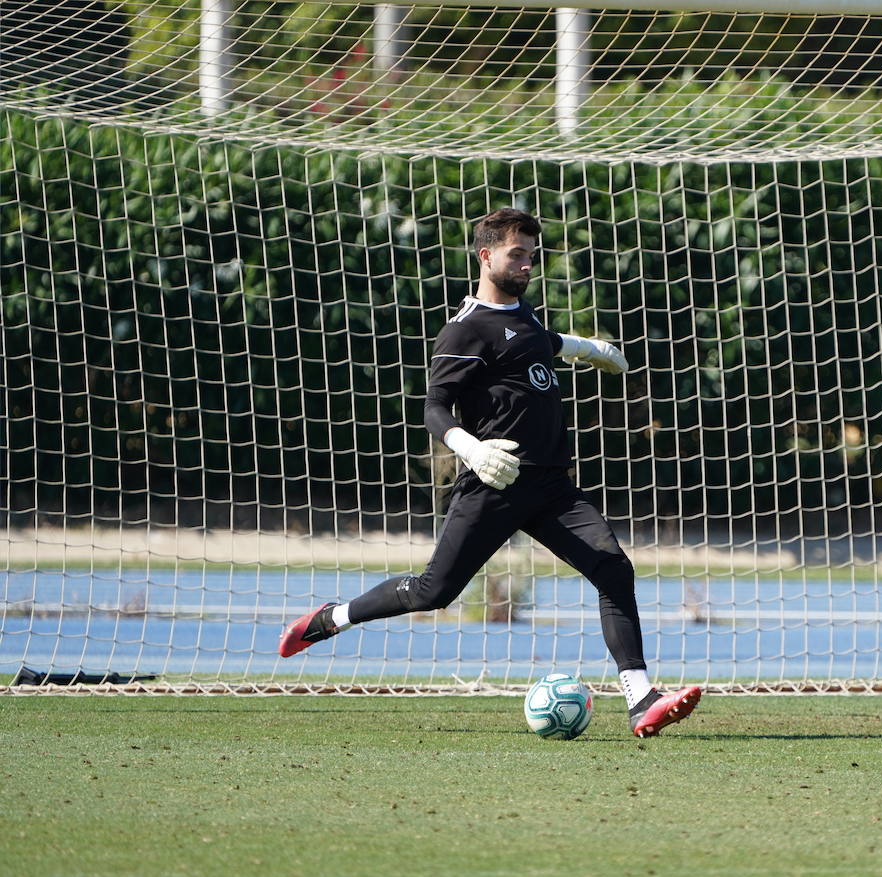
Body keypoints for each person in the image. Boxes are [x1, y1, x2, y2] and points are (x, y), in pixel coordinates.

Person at [279, 207, 701, 737]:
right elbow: (434, 407)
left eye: (531, 254)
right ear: (486, 256)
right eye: (516, 254)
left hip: (551, 486)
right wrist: (470, 449)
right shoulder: (463, 331)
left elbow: (542, 343)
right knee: (433, 592)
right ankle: (330, 619)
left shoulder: (525, 316)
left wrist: (589, 350)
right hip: (493, 483)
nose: (527, 263)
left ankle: (641, 699)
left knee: (613, 570)